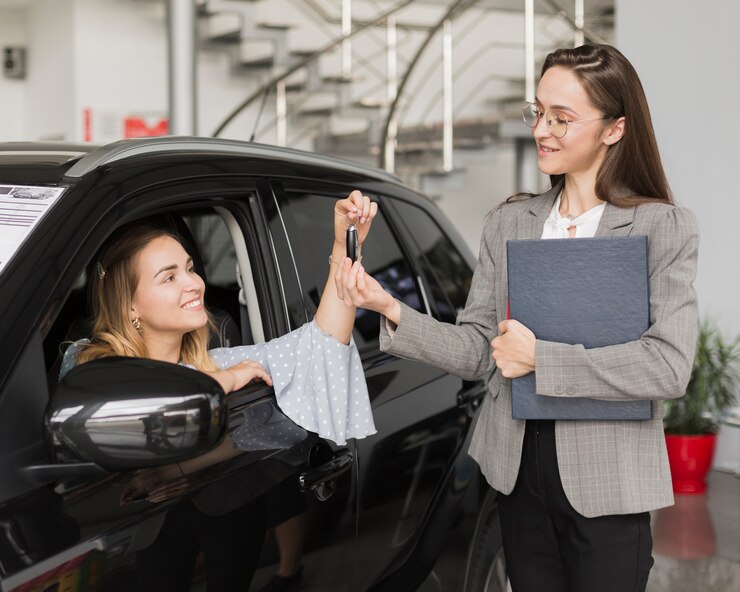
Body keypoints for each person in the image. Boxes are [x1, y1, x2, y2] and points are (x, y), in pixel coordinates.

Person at [335, 44, 699, 592]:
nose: (542, 131)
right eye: (538, 113)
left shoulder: (661, 227)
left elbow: (668, 366)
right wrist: (388, 307)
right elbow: (479, 349)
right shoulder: (509, 222)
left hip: (608, 481)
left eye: (562, 118)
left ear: (615, 128)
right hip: (517, 470)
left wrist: (541, 360)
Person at [58, 191, 378, 591]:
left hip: (228, 519)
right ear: (130, 306)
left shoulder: (220, 360)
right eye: (169, 276)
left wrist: (343, 246)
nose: (194, 283)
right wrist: (222, 384)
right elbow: (127, 417)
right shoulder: (90, 362)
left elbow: (322, 344)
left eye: (190, 269)